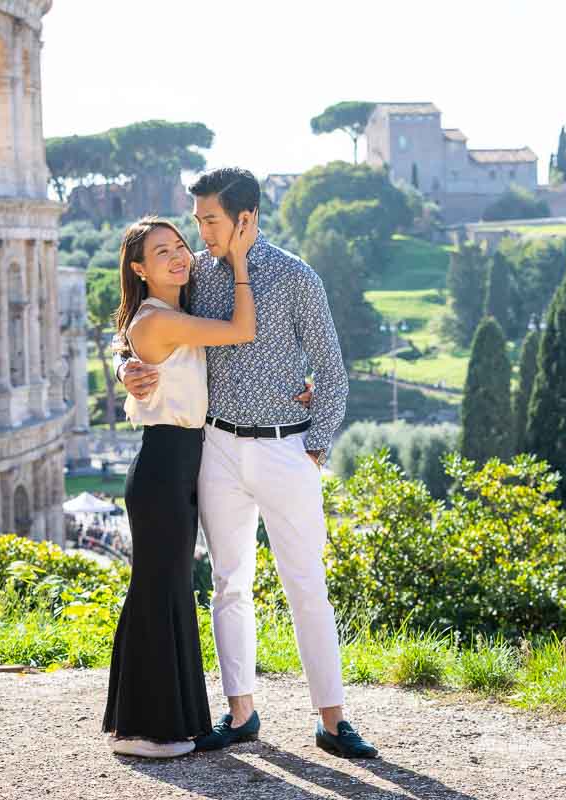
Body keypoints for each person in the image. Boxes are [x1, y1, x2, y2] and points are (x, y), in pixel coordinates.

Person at [119, 168, 378, 758]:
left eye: (209, 221)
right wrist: (125, 368)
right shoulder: (198, 277)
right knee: (229, 583)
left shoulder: (296, 277)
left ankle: (332, 722)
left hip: (287, 448)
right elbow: (145, 323)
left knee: (306, 585)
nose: (198, 235)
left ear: (246, 219)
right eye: (196, 222)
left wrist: (314, 446)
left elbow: (332, 371)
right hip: (216, 449)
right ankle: (241, 714)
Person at [101, 215, 257, 758]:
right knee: (158, 591)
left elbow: (127, 343)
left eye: (181, 245)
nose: (177, 255)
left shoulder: (167, 315)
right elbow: (242, 330)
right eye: (161, 251)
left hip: (175, 467)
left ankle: (159, 724)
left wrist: (123, 362)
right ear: (140, 269)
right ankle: (146, 731)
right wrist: (238, 259)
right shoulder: (159, 319)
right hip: (164, 466)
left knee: (164, 590)